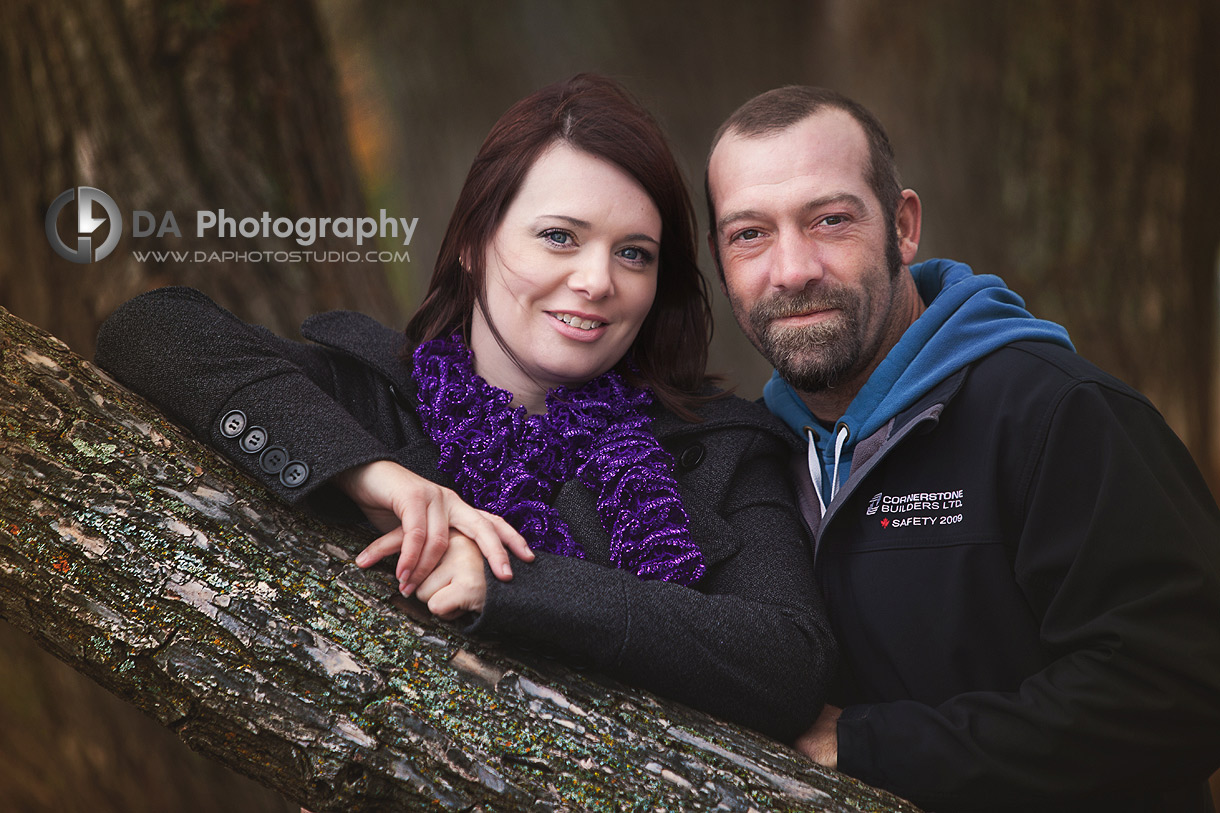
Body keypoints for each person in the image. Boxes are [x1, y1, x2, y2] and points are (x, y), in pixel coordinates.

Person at [95, 75, 834, 743]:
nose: (596, 279)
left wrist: (516, 584)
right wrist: (379, 478)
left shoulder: (722, 444)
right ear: (476, 244)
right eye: (559, 237)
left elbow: (788, 662)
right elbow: (148, 333)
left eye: (633, 253)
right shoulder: (377, 398)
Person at [705, 85, 1220, 811]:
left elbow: (1182, 690)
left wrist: (870, 745)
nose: (791, 269)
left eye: (829, 220)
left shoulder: (1058, 413)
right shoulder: (750, 457)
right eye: (749, 234)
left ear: (903, 227)